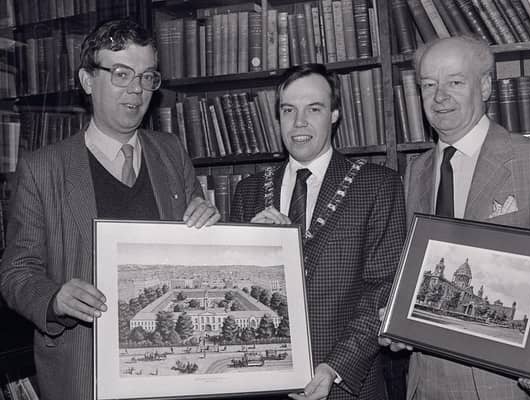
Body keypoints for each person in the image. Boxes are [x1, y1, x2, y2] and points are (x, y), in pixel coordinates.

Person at [0, 19, 220, 400]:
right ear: (87, 80)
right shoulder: (42, 169)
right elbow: (17, 272)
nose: (137, 89)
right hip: (84, 372)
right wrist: (54, 299)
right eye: (121, 74)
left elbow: (196, 256)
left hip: (172, 369)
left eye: (147, 77)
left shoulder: (171, 153)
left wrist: (207, 223)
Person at [379, 35, 530, 400]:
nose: (439, 96)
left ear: (486, 85)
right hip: (425, 384)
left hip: (507, 386)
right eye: (428, 85)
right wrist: (396, 319)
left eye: (455, 82)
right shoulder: (416, 171)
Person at [230, 63, 406, 400]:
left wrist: (335, 366)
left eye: (314, 108)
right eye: (288, 110)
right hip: (263, 383)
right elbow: (237, 288)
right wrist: (253, 251)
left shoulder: (377, 185)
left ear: (335, 113)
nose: (299, 123)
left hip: (347, 385)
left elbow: (384, 289)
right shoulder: (249, 191)